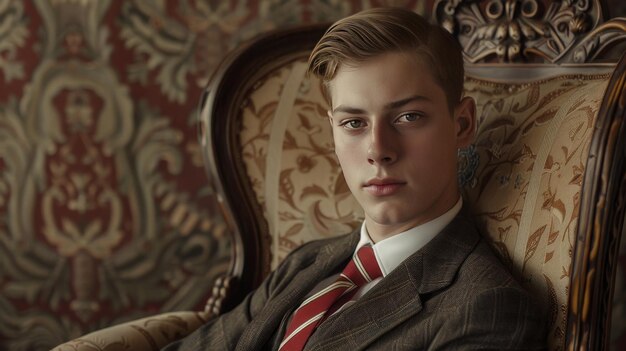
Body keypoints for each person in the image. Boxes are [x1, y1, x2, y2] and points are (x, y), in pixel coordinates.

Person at [163, 7, 546, 350]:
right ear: (332, 130)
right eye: (354, 123)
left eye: (408, 117)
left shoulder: (485, 306)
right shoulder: (307, 262)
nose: (378, 149)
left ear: (462, 123)